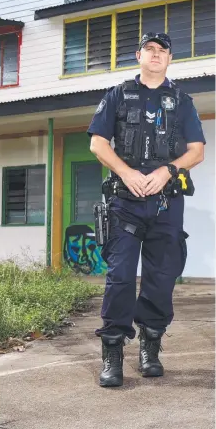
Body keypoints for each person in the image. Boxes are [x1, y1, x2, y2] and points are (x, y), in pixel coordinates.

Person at [87, 32, 206, 387]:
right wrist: (126, 172)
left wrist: (167, 170)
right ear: (138, 55)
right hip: (124, 201)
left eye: (162, 51)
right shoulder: (119, 96)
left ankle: (150, 348)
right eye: (149, 50)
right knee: (120, 276)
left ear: (170, 59)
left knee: (161, 277)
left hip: (166, 202)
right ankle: (112, 354)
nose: (155, 55)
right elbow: (97, 142)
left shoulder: (182, 100)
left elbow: (196, 151)